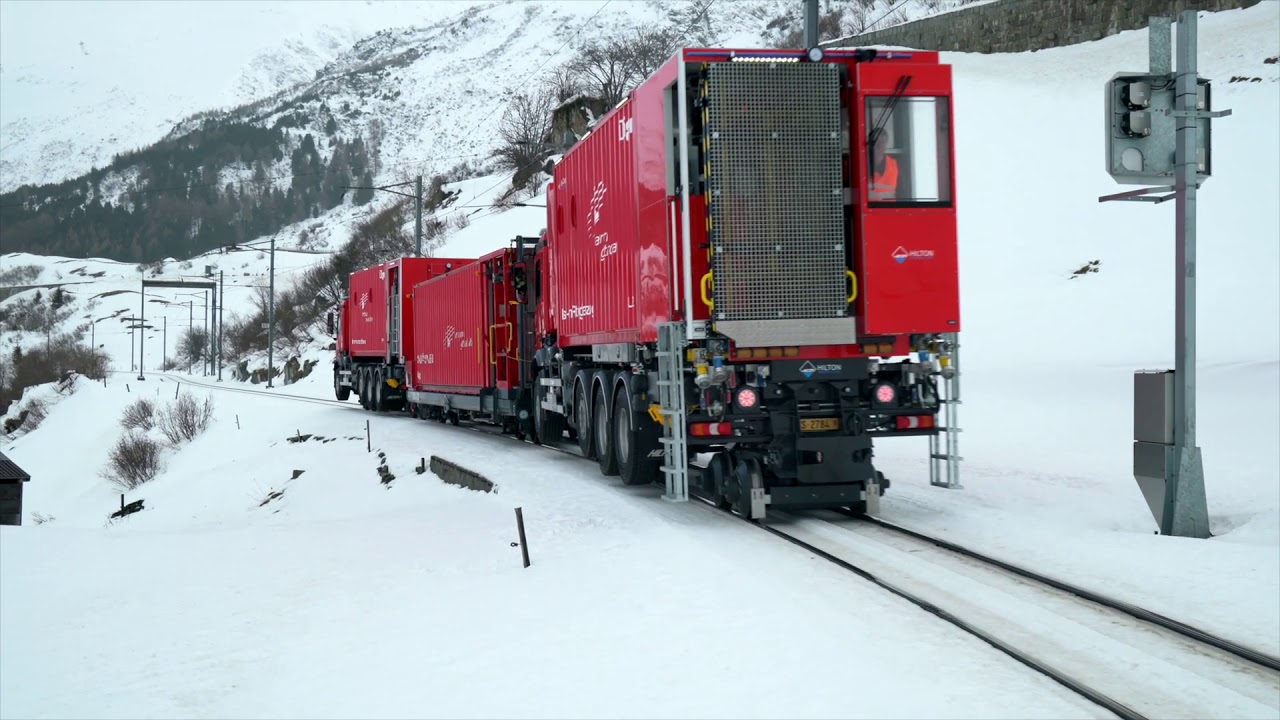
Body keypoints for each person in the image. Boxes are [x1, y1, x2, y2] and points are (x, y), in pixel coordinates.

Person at [868, 128, 898, 201]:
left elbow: (902, 194)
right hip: (868, 211)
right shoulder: (860, 166)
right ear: (869, 145)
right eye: (876, 143)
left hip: (888, 211)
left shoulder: (894, 165)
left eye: (882, 143)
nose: (879, 146)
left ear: (885, 146)